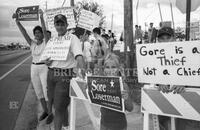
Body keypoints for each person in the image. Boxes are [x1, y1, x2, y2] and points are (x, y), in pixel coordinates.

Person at [43, 14, 85, 130]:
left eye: (62, 24)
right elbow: (48, 58)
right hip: (51, 74)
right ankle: (66, 126)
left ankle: (58, 127)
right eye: (57, 24)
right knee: (53, 102)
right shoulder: (52, 40)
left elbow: (79, 56)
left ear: (67, 25)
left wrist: (84, 71)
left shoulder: (73, 38)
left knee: (59, 107)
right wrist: (47, 61)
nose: (60, 26)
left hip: (64, 75)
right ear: (55, 25)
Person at [156, 27, 200, 130]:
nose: (165, 41)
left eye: (168, 37)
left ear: (174, 39)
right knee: (164, 126)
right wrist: (159, 83)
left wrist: (184, 83)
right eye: (162, 38)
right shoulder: (152, 55)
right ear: (158, 40)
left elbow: (194, 73)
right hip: (162, 103)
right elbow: (150, 76)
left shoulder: (187, 52)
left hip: (185, 103)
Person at [12, 9, 49, 121]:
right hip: (34, 68)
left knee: (46, 91)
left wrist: (41, 18)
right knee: (38, 91)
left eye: (39, 32)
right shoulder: (32, 43)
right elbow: (24, 33)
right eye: (36, 33)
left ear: (43, 34)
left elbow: (44, 28)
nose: (37, 34)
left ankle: (50, 112)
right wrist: (18, 22)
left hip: (44, 67)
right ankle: (45, 111)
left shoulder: (46, 42)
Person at [100, 53, 133, 130]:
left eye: (113, 67)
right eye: (107, 67)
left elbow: (130, 108)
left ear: (118, 69)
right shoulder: (101, 83)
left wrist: (126, 97)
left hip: (119, 126)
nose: (110, 70)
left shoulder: (123, 85)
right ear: (104, 69)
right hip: (103, 124)